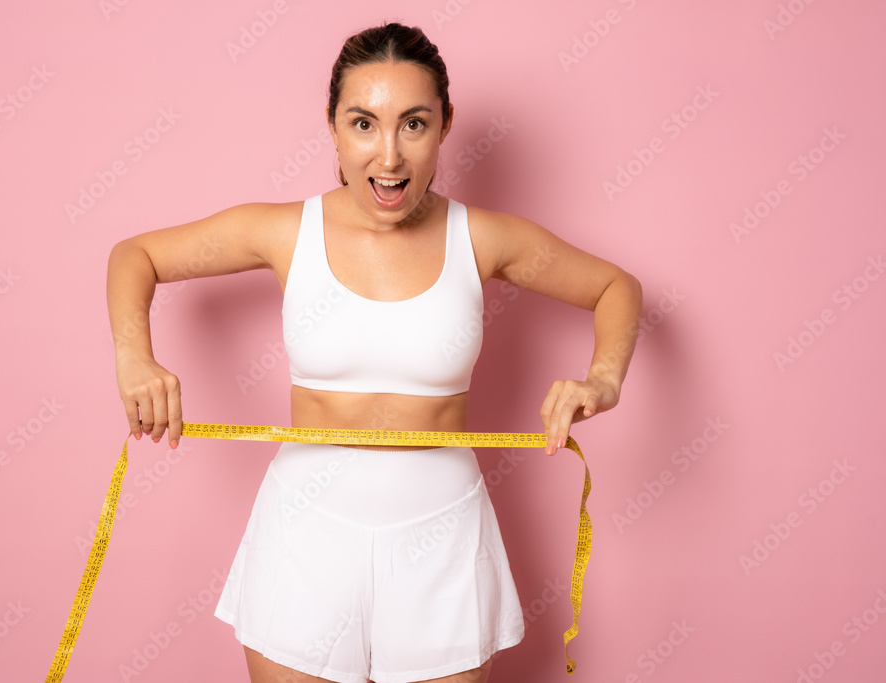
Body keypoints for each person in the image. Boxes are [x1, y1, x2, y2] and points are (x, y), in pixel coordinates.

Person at [107, 21, 641, 683]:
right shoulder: (282, 231)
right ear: (332, 125)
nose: (388, 158)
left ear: (446, 125)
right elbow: (137, 256)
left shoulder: (483, 239)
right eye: (363, 124)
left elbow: (615, 287)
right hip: (303, 532)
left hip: (442, 537)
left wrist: (603, 380)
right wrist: (137, 359)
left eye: (413, 124)